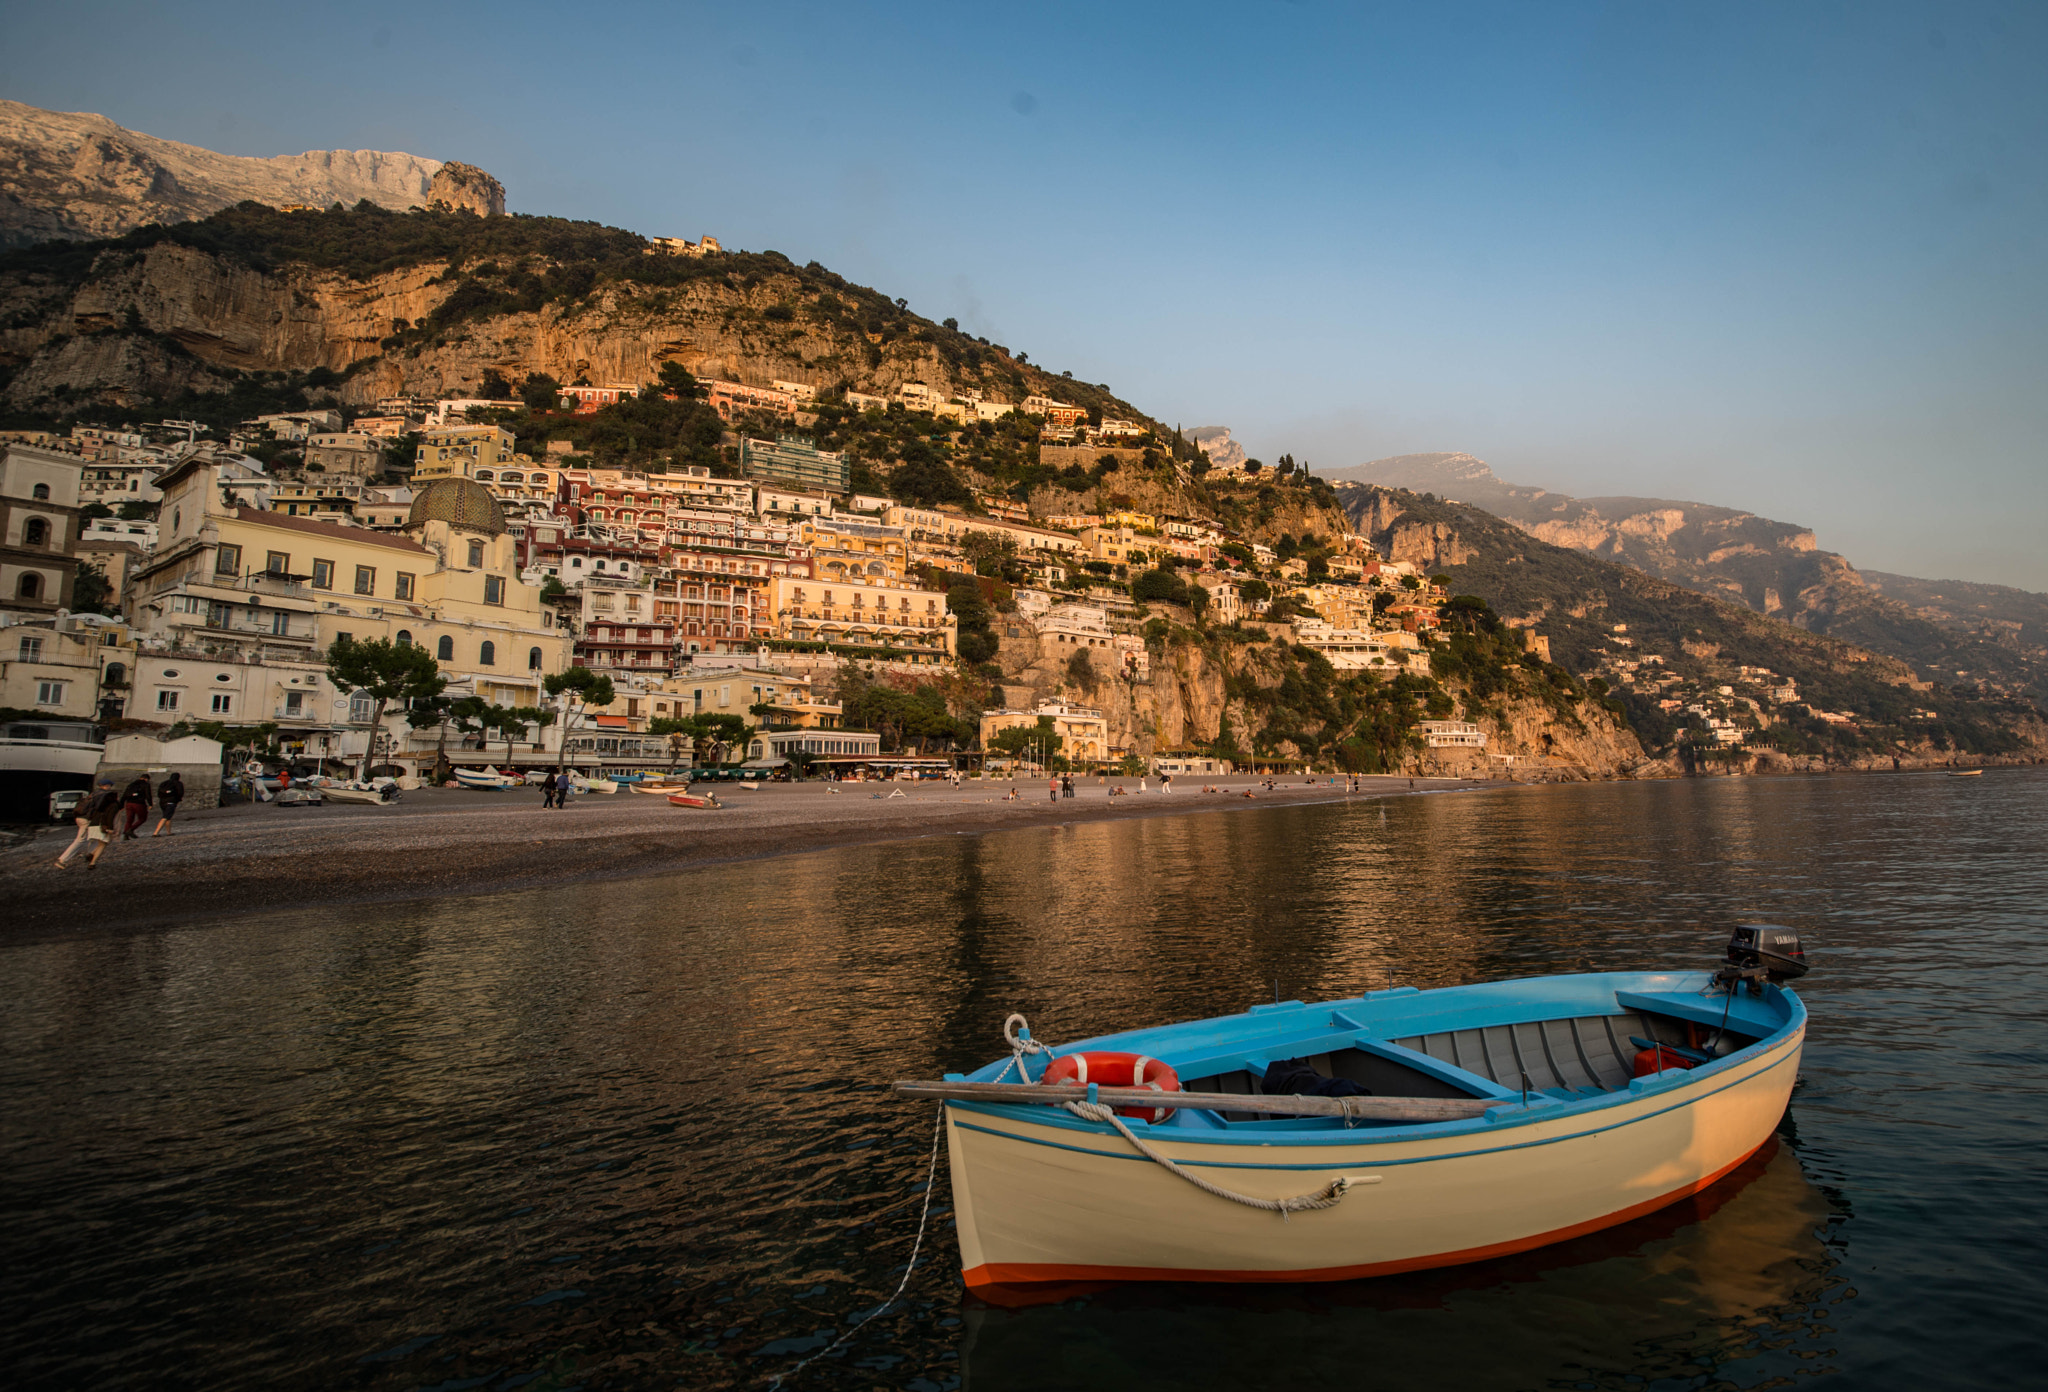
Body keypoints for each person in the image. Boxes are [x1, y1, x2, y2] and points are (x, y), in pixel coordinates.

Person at [58, 779, 123, 868]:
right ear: (107, 785)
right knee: (80, 840)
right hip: (86, 819)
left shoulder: (93, 794)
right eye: (110, 785)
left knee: (94, 838)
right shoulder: (102, 795)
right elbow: (99, 808)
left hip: (80, 817)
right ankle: (62, 860)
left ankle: (90, 855)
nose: (110, 787)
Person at [118, 773, 152, 840]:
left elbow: (124, 795)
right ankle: (130, 830)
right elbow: (148, 795)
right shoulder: (146, 785)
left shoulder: (131, 784)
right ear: (146, 779)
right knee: (142, 818)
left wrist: (121, 805)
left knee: (129, 819)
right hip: (139, 803)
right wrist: (150, 804)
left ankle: (125, 834)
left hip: (129, 803)